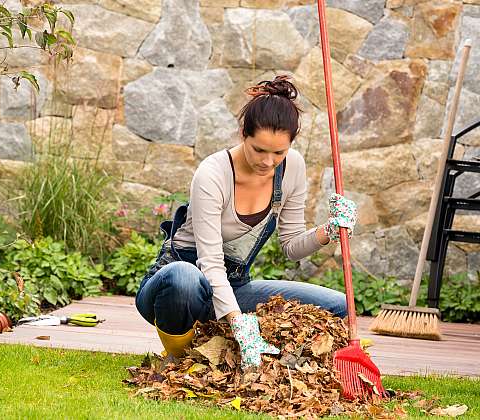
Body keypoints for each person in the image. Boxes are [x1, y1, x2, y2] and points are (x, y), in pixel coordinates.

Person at [135, 75, 357, 369]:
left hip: (234, 286)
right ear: (243, 133)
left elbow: (290, 246)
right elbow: (210, 263)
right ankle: (180, 359)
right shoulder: (212, 175)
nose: (268, 162)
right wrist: (240, 323)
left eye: (279, 152)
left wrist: (330, 231)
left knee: (339, 306)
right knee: (183, 279)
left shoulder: (293, 168)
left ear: (292, 141)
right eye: (259, 150)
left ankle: (252, 355)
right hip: (180, 288)